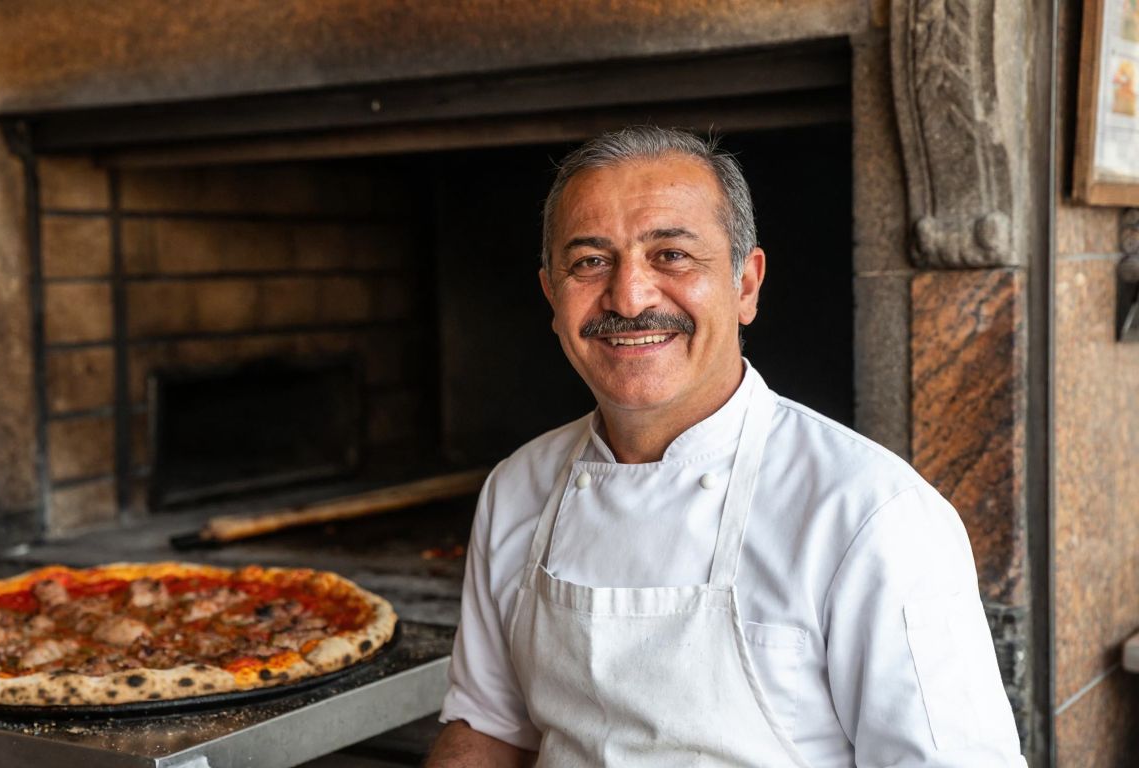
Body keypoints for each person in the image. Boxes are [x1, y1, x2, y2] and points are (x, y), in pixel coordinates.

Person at [424, 126, 1025, 767]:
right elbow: (488, 730)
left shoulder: (872, 514)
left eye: (672, 255)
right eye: (590, 261)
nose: (629, 297)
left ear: (745, 285)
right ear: (552, 295)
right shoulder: (517, 486)